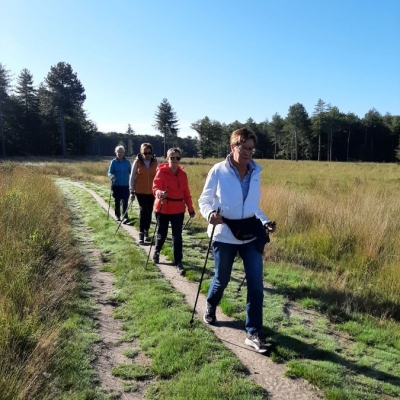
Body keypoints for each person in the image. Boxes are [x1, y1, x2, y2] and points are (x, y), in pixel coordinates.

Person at [198, 128, 276, 353]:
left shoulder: (256, 172)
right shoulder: (218, 170)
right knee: (222, 278)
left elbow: (251, 207)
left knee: (256, 285)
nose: (249, 153)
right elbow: (204, 199)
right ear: (233, 147)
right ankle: (212, 303)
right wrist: (210, 214)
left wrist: (264, 221)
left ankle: (253, 332)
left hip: (250, 234)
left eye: (252, 149)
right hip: (224, 234)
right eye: (244, 148)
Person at [152, 148, 195, 275]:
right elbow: (155, 188)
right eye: (172, 157)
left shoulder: (183, 174)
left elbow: (186, 193)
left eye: (177, 158)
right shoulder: (161, 172)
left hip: (178, 209)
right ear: (167, 159)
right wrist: (160, 193)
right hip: (163, 207)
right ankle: (157, 250)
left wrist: (191, 209)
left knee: (177, 236)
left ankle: (178, 262)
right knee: (162, 233)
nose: (175, 160)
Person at [129, 143, 158, 244]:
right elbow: (132, 177)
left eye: (149, 153)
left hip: (152, 191)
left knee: (149, 211)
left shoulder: (155, 162)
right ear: (141, 152)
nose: (147, 155)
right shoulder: (137, 162)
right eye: (145, 153)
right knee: (143, 210)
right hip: (140, 191)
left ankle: (146, 231)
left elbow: (159, 177)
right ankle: (141, 233)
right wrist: (131, 191)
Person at [107, 145, 131, 223]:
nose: (120, 153)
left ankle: (124, 216)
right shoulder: (113, 162)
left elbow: (131, 172)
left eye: (121, 152)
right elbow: (110, 172)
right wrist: (111, 176)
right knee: (117, 201)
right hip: (116, 185)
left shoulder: (127, 162)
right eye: (118, 152)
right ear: (116, 153)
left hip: (125, 185)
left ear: (124, 153)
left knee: (125, 201)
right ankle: (117, 215)